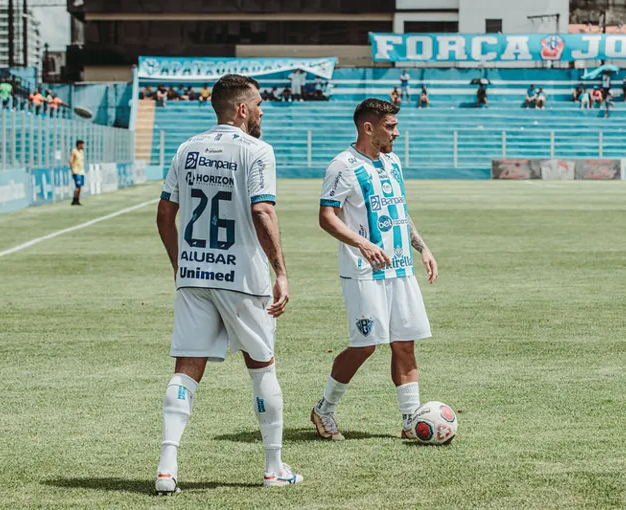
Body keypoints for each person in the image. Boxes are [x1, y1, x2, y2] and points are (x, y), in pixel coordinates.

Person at [154, 74, 302, 494]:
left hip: (196, 274)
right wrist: (281, 271)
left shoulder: (186, 149)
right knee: (261, 365)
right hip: (242, 277)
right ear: (241, 109)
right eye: (257, 104)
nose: (261, 111)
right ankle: (274, 468)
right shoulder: (257, 150)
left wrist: (181, 266)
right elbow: (263, 212)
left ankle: (167, 468)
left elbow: (165, 216)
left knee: (187, 367)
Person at [312, 98, 438, 442]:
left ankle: (411, 420)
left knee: (405, 344)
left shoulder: (392, 161)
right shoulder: (343, 165)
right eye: (390, 127)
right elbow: (327, 218)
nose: (397, 133)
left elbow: (399, 210)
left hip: (401, 269)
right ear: (369, 128)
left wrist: (422, 247)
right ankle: (324, 409)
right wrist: (362, 244)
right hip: (364, 271)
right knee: (365, 345)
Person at [69, 140, 85, 206]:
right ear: (79, 145)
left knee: (80, 186)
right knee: (77, 186)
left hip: (81, 172)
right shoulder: (74, 151)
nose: (83, 146)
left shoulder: (81, 152)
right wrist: (73, 169)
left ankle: (77, 200)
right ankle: (74, 200)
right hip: (76, 171)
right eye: (82, 145)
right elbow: (70, 160)